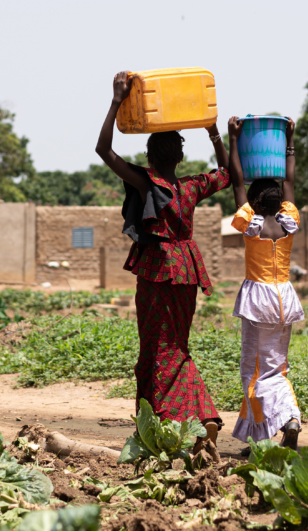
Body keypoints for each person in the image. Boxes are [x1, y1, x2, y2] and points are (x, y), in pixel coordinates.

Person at [95, 71, 231, 460]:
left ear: (150, 156)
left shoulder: (147, 182)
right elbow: (226, 174)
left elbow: (104, 151)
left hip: (157, 268)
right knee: (178, 346)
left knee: (157, 349)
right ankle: (200, 415)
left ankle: (171, 422)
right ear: (180, 157)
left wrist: (116, 101)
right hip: (186, 269)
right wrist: (214, 133)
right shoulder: (189, 187)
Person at [226, 115, 304, 451]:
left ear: (255, 204)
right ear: (279, 203)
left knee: (253, 372)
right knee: (277, 368)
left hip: (258, 300)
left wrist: (233, 140)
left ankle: (275, 429)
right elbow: (289, 181)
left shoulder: (251, 224)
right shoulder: (289, 222)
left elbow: (237, 183)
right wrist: (289, 140)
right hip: (284, 298)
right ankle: (278, 426)